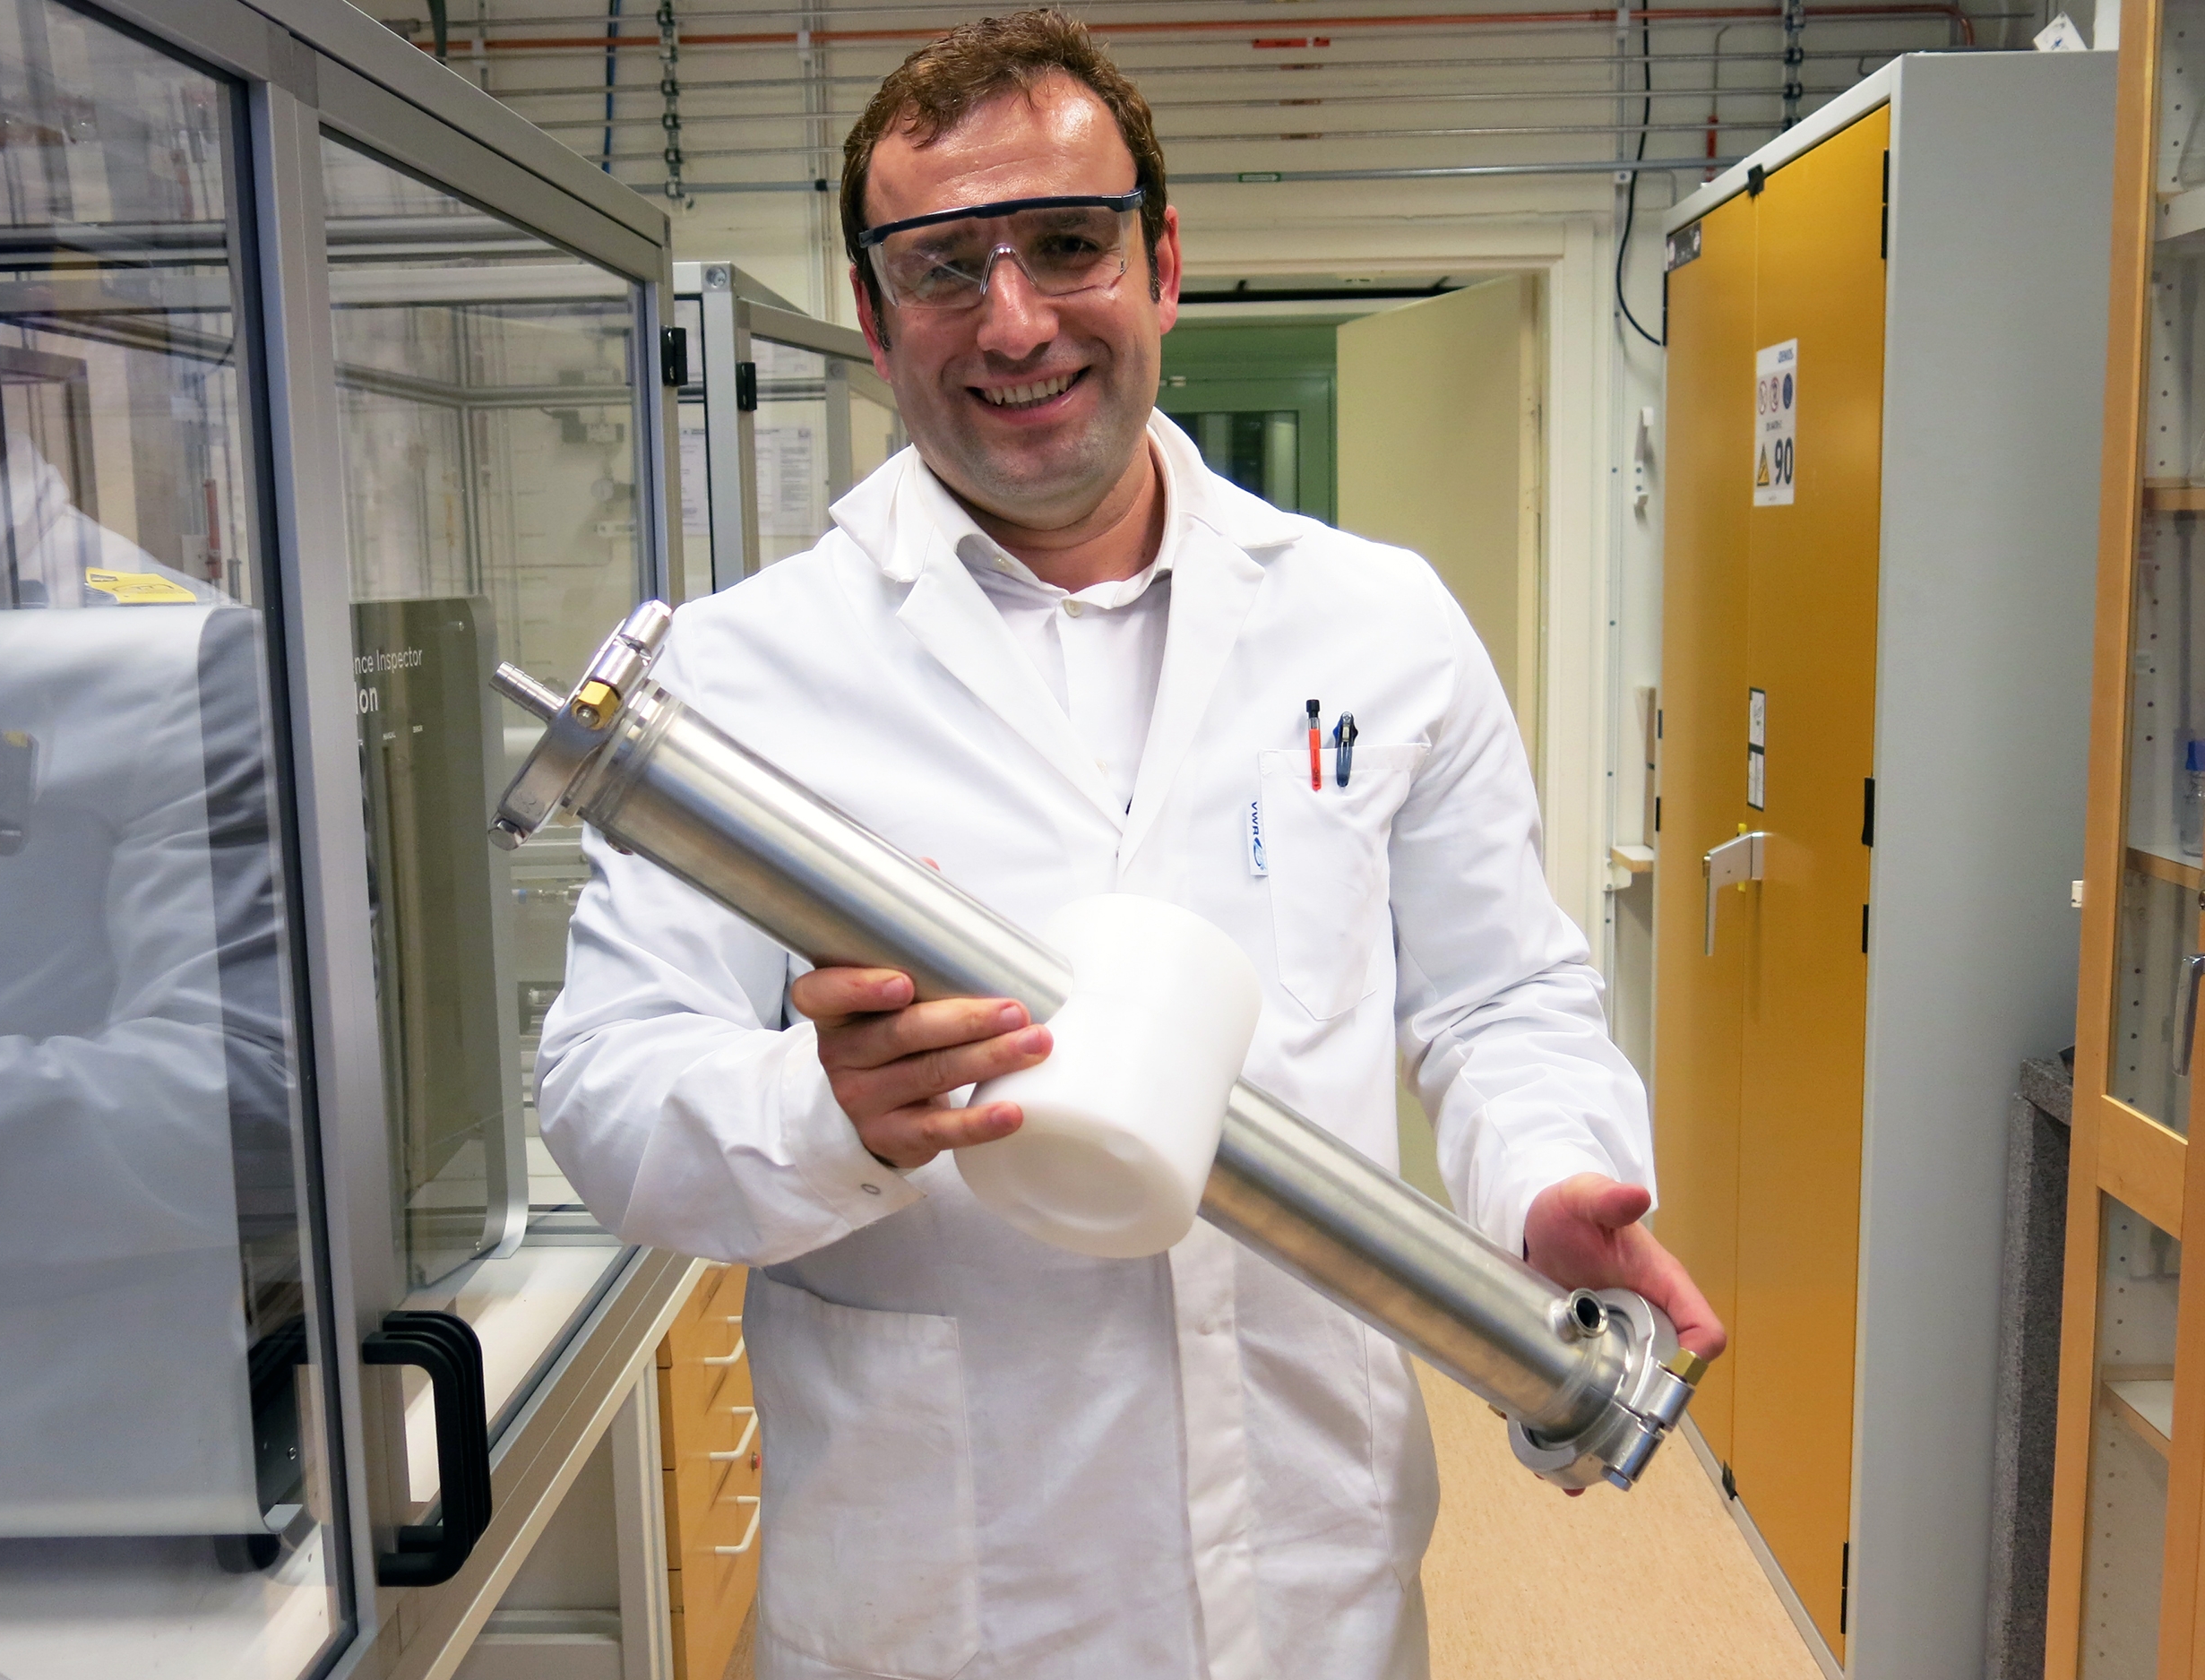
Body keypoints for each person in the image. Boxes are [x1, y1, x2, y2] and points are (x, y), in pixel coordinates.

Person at [539, 11, 1725, 1677]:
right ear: (877, 322)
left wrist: (1541, 1188)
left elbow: (1496, 998)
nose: (1013, 319)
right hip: (940, 1591)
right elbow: (604, 1088)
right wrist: (830, 1117)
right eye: (943, 267)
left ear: (1163, 262)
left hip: (1313, 1564)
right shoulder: (743, 676)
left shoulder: (1374, 622)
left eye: (1069, 244)